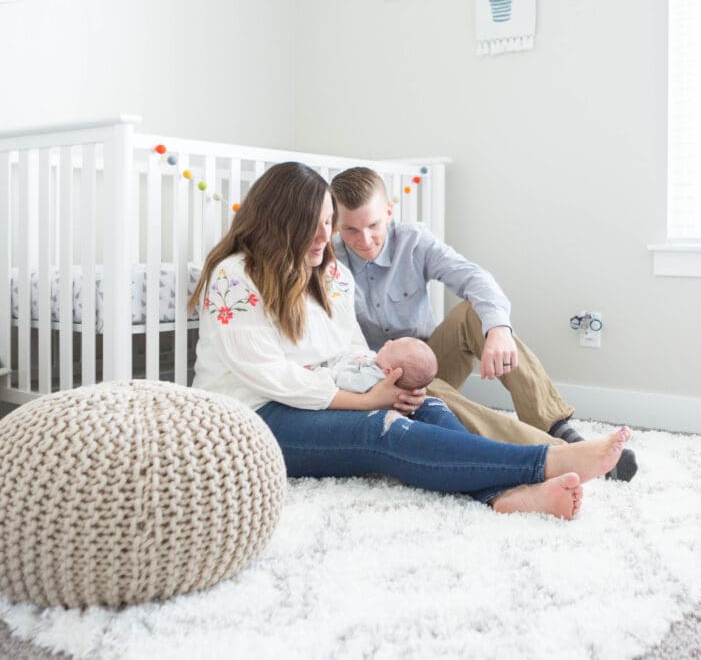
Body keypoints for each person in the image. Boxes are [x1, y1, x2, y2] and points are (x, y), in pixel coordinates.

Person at [188, 161, 632, 520]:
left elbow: (349, 348)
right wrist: (365, 400)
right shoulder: (235, 276)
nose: (326, 238)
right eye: (319, 225)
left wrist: (384, 385)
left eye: (328, 224)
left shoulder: (331, 273)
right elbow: (268, 375)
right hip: (255, 413)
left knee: (426, 405)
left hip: (356, 382)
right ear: (280, 223)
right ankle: (547, 461)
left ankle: (506, 493)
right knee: (382, 430)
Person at [330, 167, 638, 481]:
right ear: (335, 224)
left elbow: (474, 278)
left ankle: (558, 427)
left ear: (389, 213)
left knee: (473, 312)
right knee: (429, 391)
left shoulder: (413, 241)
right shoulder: (327, 260)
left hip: (430, 359)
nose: (364, 239)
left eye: (373, 225)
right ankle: (561, 453)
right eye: (350, 230)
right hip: (375, 379)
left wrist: (498, 330)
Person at [326, 336, 437, 393]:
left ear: (388, 372)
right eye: (393, 341)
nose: (388, 342)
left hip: (329, 370)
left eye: (390, 347)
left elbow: (345, 382)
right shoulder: (378, 364)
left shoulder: (371, 378)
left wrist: (330, 374)